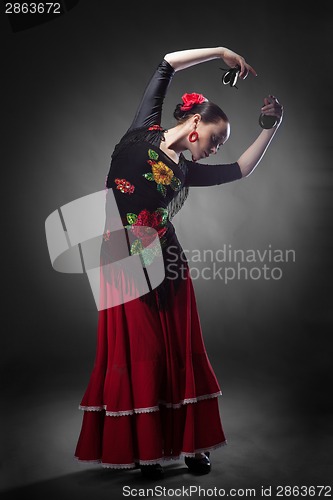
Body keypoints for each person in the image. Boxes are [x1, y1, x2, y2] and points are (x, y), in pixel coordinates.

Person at [74, 46, 283, 479]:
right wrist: (223, 52)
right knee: (140, 353)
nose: (216, 149)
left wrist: (270, 129)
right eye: (215, 139)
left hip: (166, 263)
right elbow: (167, 61)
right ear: (193, 124)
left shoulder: (187, 172)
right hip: (118, 259)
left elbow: (241, 169)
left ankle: (191, 445)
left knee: (177, 352)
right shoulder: (141, 132)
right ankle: (146, 448)